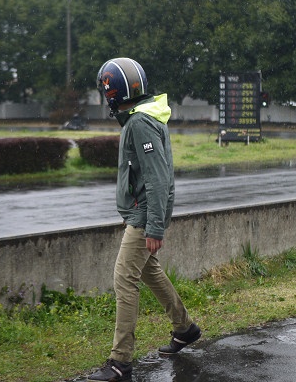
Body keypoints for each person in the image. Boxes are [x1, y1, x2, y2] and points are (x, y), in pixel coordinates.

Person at [89, 57, 201, 382]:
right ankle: (185, 328)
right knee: (150, 272)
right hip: (141, 214)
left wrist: (153, 227)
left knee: (124, 279)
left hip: (143, 217)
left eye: (106, 91)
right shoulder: (143, 117)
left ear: (114, 93)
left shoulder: (140, 123)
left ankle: (120, 362)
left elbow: (157, 179)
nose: (105, 97)